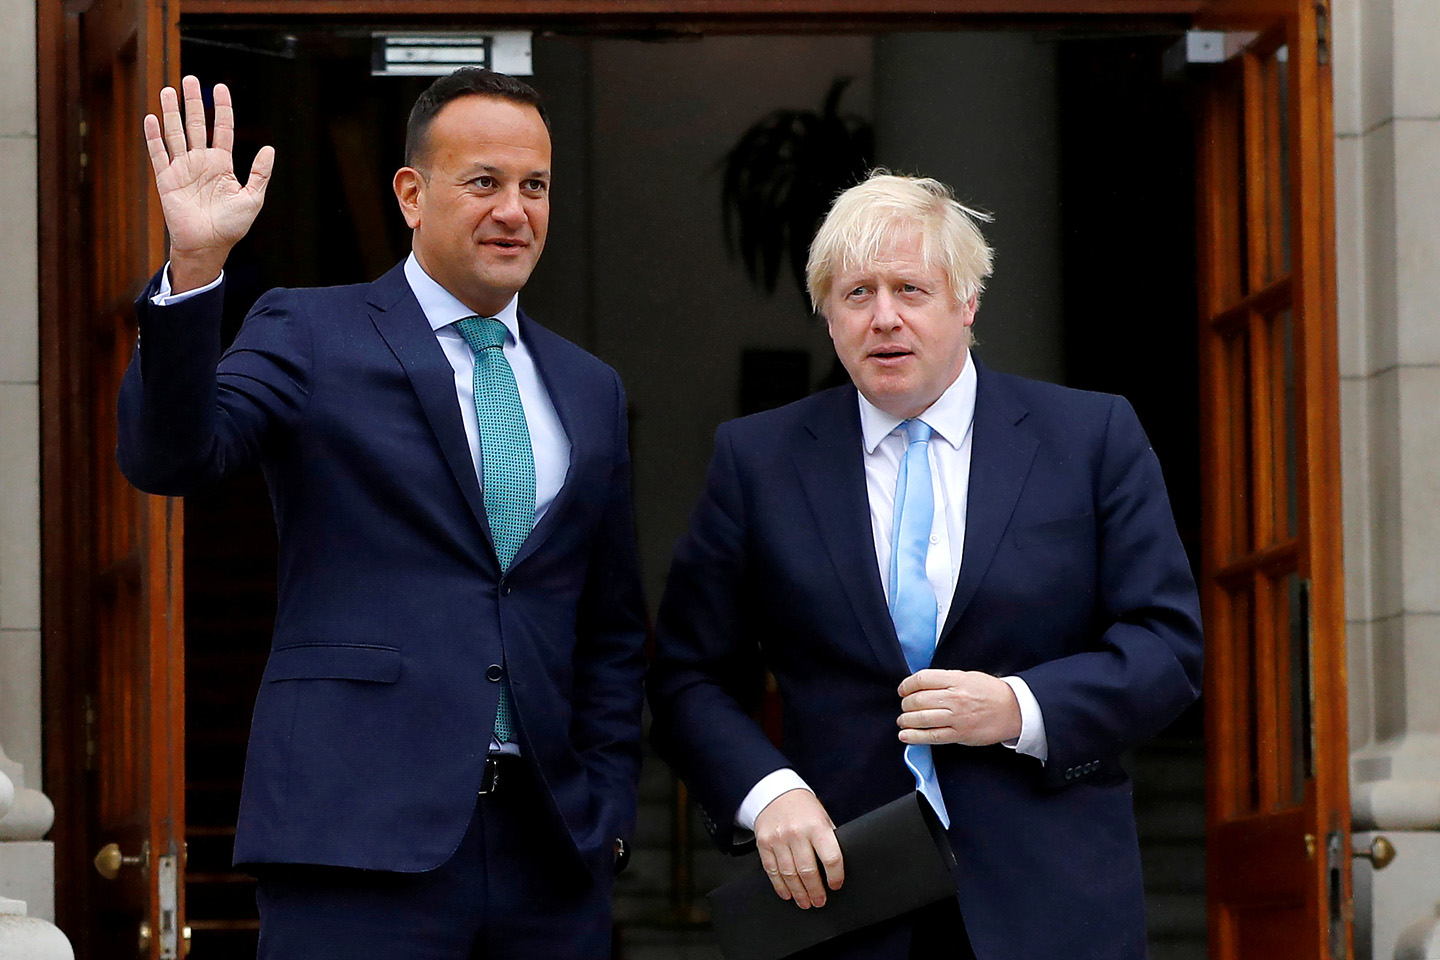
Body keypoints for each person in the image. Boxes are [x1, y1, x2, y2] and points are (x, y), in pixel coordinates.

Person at [117, 69, 647, 959]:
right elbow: (170, 458)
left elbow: (611, 628)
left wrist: (610, 817)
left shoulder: (591, 388)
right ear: (411, 194)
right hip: (354, 843)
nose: (513, 210)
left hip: (552, 859)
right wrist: (197, 270)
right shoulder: (309, 331)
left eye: (535, 186)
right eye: (484, 182)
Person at [648, 172, 1203, 960]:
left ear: (967, 302)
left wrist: (1019, 707)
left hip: (1050, 902)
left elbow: (1167, 648)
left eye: (910, 289)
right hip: (842, 897)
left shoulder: (1090, 438)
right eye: (857, 294)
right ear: (828, 315)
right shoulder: (758, 461)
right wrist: (768, 795)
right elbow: (687, 676)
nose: (884, 317)